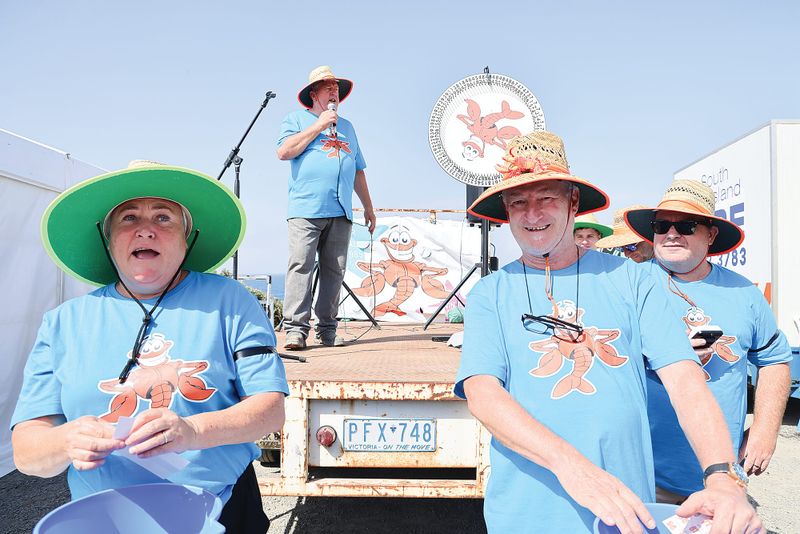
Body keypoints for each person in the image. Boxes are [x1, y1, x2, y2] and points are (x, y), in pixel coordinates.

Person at [455, 131, 762, 533]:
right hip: (525, 517)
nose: (533, 214)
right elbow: (482, 392)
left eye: (546, 197)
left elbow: (685, 381)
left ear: (573, 202)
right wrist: (573, 467)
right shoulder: (490, 293)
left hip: (625, 516)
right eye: (518, 203)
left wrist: (722, 477)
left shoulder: (632, 280)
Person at [11, 161, 289, 533]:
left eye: (164, 218)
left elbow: (270, 410)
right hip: (106, 519)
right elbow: (27, 451)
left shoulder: (230, 301)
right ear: (107, 240)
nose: (146, 229)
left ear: (186, 239)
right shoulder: (63, 322)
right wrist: (65, 440)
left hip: (221, 509)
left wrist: (191, 431)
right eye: (128, 218)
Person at [625, 180, 792, 504]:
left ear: (711, 234)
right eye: (662, 225)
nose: (672, 233)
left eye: (686, 225)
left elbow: (774, 360)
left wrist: (765, 430)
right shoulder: (627, 285)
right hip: (641, 480)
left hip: (719, 481)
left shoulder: (743, 294)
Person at [277, 65, 376, 350]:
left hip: (341, 209)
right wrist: (319, 125)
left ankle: (327, 329)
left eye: (336, 87)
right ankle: (296, 330)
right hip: (306, 208)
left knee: (335, 270)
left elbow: (358, 169)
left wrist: (368, 207)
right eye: (327, 86)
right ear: (313, 93)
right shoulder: (296, 120)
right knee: (301, 265)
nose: (334, 91)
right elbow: (284, 152)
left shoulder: (347, 127)